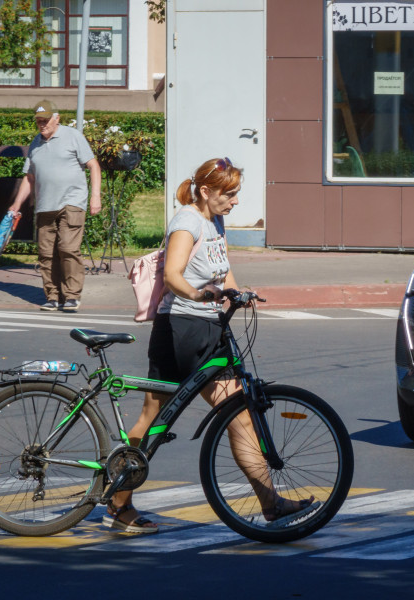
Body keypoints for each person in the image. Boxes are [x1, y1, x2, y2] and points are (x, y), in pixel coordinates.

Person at [104, 157, 315, 533]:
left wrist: (237, 291)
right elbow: (172, 275)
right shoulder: (186, 222)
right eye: (229, 194)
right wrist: (201, 296)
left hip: (208, 326)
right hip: (182, 329)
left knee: (233, 415)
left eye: (236, 194)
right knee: (166, 417)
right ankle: (119, 501)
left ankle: (270, 502)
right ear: (206, 191)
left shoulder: (214, 221)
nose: (235, 202)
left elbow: (222, 266)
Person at [8, 100, 102, 312]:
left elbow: (93, 166)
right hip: (45, 205)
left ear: (57, 118)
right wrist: (16, 204)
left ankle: (71, 296)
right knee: (46, 253)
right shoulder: (35, 143)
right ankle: (53, 296)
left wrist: (95, 197)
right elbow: (29, 177)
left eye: (46, 119)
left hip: (72, 202)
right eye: (39, 120)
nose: (42, 124)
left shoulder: (73, 136)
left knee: (68, 249)